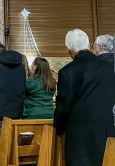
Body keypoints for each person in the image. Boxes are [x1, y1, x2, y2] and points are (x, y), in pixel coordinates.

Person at [54, 29, 115, 166]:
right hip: (108, 131)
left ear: (69, 49)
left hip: (81, 137)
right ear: (88, 44)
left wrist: (58, 128)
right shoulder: (108, 66)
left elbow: (63, 108)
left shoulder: (67, 72)